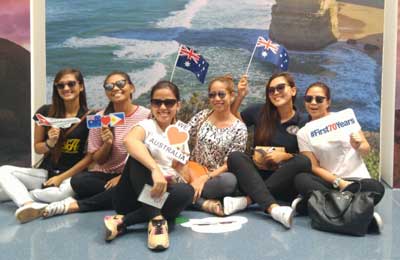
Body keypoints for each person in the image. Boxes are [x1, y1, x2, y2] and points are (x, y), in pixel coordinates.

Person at [18, 71, 150, 220]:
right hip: (104, 177)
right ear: (106, 93)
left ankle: (75, 205)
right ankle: (131, 199)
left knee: (138, 190)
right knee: (79, 182)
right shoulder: (99, 118)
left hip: (133, 175)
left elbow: (151, 154)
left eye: (120, 83)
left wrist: (122, 177)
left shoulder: (146, 116)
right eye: (109, 86)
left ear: (131, 88)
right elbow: (98, 160)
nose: (115, 88)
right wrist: (107, 143)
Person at [103, 81, 194, 251]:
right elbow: (129, 141)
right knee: (139, 157)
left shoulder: (181, 135)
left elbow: (186, 176)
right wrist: (155, 170)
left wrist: (180, 168)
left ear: (178, 105)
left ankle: (123, 221)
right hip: (131, 196)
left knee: (186, 191)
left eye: (169, 102)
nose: (163, 107)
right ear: (151, 105)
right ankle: (157, 222)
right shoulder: (146, 126)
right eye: (157, 102)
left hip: (159, 197)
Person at [0, 68, 92, 223]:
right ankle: (28, 204)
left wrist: (61, 177)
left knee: (59, 195)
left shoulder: (91, 117)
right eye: (60, 85)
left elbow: (90, 158)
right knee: (3, 170)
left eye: (71, 84)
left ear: (81, 86)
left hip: (70, 177)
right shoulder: (45, 112)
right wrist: (50, 143)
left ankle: (20, 193)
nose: (66, 89)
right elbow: (38, 148)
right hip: (46, 173)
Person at [293, 82, 385, 232]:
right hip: (330, 182)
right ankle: (362, 215)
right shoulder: (303, 132)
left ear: (328, 102)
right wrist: (339, 182)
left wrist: (358, 145)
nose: (313, 103)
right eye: (309, 99)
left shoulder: (345, 118)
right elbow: (314, 167)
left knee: (376, 188)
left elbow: (366, 150)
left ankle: (317, 206)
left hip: (357, 180)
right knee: (301, 178)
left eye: (319, 99)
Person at [225, 72, 311, 228]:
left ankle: (248, 200)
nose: (276, 93)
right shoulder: (259, 111)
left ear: (293, 90)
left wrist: (284, 156)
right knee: (235, 157)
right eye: (271, 90)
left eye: (280, 87)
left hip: (284, 182)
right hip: (256, 176)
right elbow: (232, 122)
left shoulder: (305, 120)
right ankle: (274, 209)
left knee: (304, 161)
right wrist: (240, 96)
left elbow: (308, 158)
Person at [187, 75, 247, 216]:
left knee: (230, 182)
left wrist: (205, 177)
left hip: (214, 180)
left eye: (221, 94)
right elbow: (182, 136)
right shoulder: (202, 116)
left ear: (232, 96)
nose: (217, 99)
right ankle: (203, 203)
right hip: (191, 172)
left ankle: (185, 195)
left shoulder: (240, 128)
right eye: (212, 95)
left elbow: (229, 164)